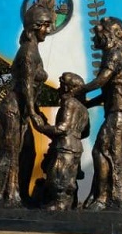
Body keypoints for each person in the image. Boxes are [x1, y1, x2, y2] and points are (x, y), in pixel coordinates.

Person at [0, 0, 53, 208]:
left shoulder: (32, 49)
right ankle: (1, 196)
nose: (48, 30)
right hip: (13, 109)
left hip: (20, 110)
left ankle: (19, 193)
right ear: (35, 27)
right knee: (10, 154)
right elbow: (26, 85)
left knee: (27, 153)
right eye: (45, 25)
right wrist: (34, 113)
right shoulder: (28, 52)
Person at [79, 16, 122, 211]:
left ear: (111, 35)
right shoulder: (118, 54)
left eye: (99, 34)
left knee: (102, 151)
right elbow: (108, 92)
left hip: (121, 111)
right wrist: (88, 103)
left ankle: (105, 199)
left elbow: (101, 81)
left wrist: (77, 91)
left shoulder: (113, 54)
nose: (95, 38)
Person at [29, 72, 90, 210]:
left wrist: (41, 127)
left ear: (68, 88)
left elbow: (62, 129)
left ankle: (59, 204)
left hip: (64, 148)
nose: (58, 89)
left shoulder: (69, 103)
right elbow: (85, 132)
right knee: (69, 177)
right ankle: (69, 204)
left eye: (61, 85)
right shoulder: (83, 109)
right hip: (76, 147)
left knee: (58, 176)